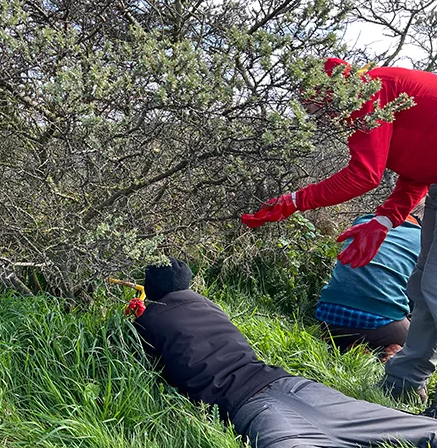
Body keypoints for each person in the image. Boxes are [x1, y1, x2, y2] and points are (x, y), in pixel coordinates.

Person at [240, 58, 437, 406]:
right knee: (423, 286)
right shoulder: (373, 95)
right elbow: (419, 169)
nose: (316, 115)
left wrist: (294, 201)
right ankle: (403, 386)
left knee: (435, 287)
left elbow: (364, 174)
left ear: (330, 90)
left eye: (313, 104)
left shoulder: (370, 91)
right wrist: (386, 219)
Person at [133, 258, 437, 448]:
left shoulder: (149, 320)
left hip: (253, 408)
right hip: (296, 386)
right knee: (421, 430)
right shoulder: (210, 305)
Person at [317, 207, 422, 358]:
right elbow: (418, 295)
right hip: (382, 327)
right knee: (421, 334)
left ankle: (349, 344)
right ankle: (389, 348)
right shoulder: (423, 239)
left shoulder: (364, 220)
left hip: (328, 316)